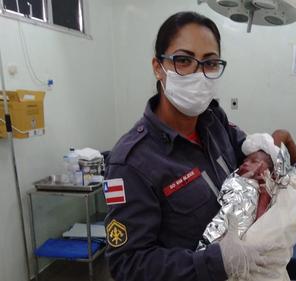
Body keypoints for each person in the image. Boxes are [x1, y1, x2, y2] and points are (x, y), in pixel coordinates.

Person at [104, 11, 285, 281]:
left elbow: (241, 152)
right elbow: (128, 264)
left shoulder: (213, 121)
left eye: (210, 63)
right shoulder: (131, 163)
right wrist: (215, 262)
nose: (199, 74)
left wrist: (258, 150)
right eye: (184, 60)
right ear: (158, 67)